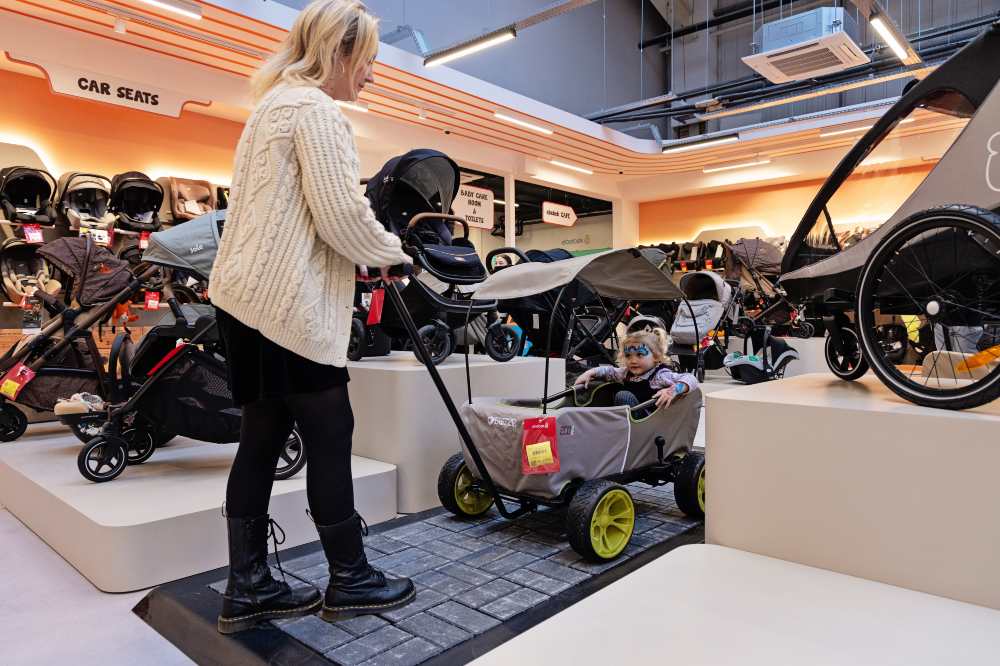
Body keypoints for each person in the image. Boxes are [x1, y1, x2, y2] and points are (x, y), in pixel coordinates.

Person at [207, 0, 415, 634]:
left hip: (245, 302)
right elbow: (340, 214)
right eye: (369, 62)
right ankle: (350, 579)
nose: (371, 75)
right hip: (285, 306)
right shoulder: (314, 110)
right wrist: (392, 254)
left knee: (262, 438)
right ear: (340, 53)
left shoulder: (272, 105)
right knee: (330, 433)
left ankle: (248, 587)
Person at [574, 329, 697, 414]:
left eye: (639, 355)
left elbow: (691, 378)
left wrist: (673, 390)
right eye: (628, 356)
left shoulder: (660, 376)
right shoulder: (625, 373)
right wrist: (589, 373)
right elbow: (609, 371)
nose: (633, 360)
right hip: (624, 421)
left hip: (645, 423)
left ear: (656, 357)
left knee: (623, 395)